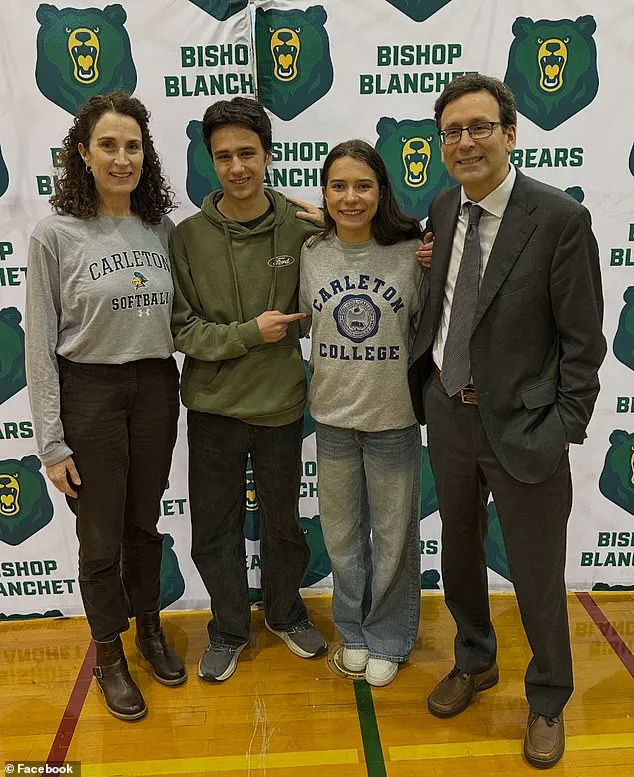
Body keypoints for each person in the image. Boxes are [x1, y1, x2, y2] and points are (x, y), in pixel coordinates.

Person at [408, 74, 606, 768]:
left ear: (511, 134)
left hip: (527, 427)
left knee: (536, 573)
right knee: (459, 556)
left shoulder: (559, 219)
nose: (465, 142)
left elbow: (583, 342)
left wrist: (564, 425)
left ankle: (548, 697)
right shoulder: (442, 206)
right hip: (448, 414)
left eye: (479, 127)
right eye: (452, 132)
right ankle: (475, 659)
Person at [25, 91, 186, 722]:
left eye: (133, 146)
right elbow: (39, 344)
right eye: (109, 146)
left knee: (143, 526)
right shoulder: (54, 234)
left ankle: (149, 628)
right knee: (99, 539)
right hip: (88, 392)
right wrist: (51, 443)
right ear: (83, 154)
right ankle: (110, 655)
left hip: (155, 388)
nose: (123, 158)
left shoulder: (160, 228)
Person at [170, 96, 327, 683]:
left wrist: (404, 243)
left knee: (283, 523)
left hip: (281, 406)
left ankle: (286, 613)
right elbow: (181, 329)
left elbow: (361, 254)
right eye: (224, 156)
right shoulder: (187, 237)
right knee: (215, 529)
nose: (237, 167)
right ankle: (229, 629)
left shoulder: (301, 226)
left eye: (247, 153)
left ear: (267, 155)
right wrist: (247, 334)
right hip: (213, 409)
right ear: (211, 161)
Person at [299, 140, 425, 687]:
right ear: (325, 194)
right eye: (339, 186)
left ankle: (389, 636)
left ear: (381, 191)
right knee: (343, 539)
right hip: (331, 421)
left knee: (394, 539)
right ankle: (352, 630)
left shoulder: (412, 253)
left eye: (363, 186)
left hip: (394, 420)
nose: (351, 197)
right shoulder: (311, 252)